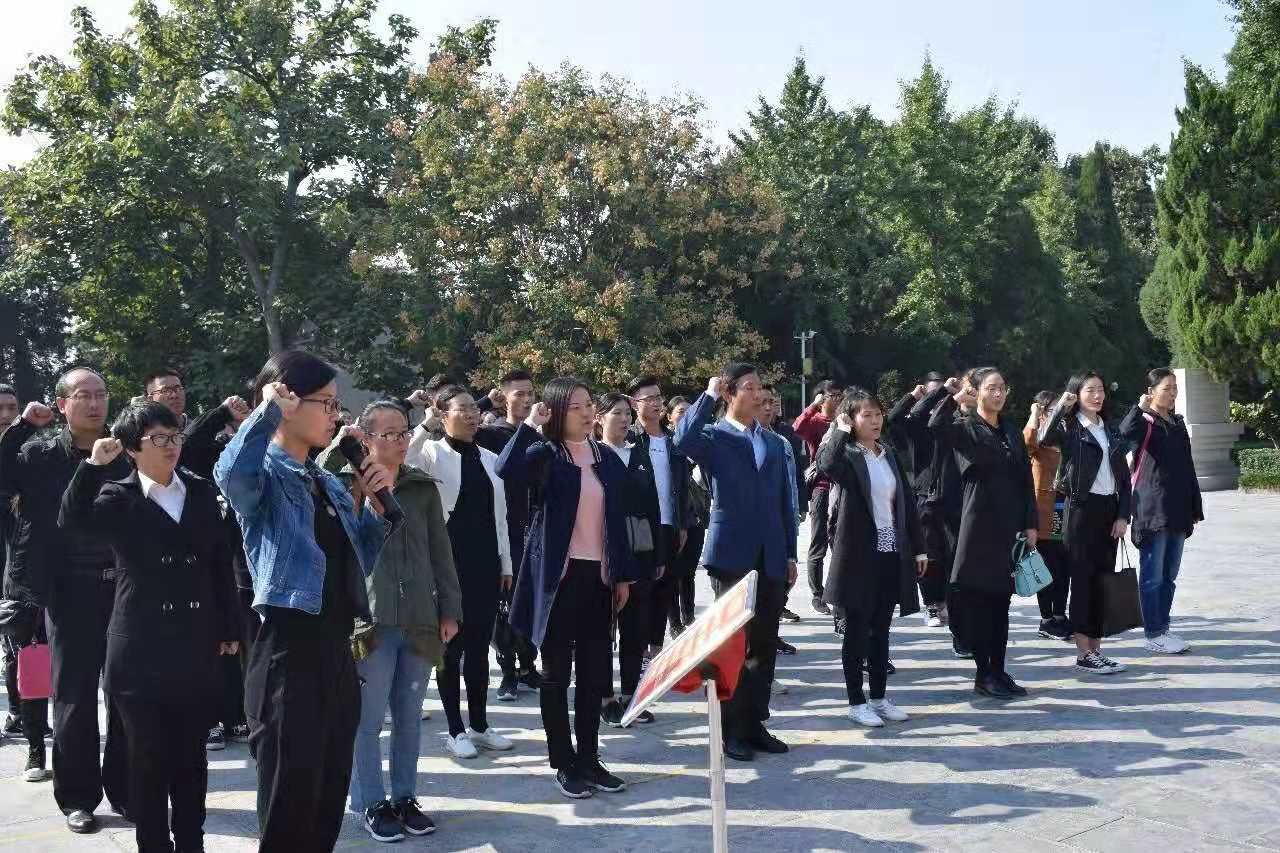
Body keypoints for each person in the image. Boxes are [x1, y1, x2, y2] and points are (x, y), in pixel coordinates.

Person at [213, 350, 394, 853]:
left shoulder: (326, 480)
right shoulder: (265, 476)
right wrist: (266, 410)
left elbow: (359, 557)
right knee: (290, 800)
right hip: (287, 654)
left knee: (328, 793)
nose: (336, 415)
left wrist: (376, 508)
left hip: (337, 650)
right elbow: (230, 474)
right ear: (288, 402)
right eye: (327, 403)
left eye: (337, 405)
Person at [59, 402, 240, 853]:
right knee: (146, 761)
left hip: (195, 641)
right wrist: (91, 467)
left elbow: (220, 562)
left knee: (191, 757)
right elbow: (72, 520)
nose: (171, 446)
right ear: (132, 449)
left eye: (174, 436)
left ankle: (192, 841)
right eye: (158, 439)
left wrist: (229, 626)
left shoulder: (200, 491)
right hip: (139, 648)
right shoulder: (117, 496)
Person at [319, 400, 462, 843]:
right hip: (371, 619)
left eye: (404, 432)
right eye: (389, 434)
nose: (401, 441)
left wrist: (450, 608)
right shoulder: (342, 486)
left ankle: (404, 797)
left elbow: (441, 550)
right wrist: (343, 454)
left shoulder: (421, 487)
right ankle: (370, 801)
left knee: (409, 715)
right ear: (366, 439)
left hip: (419, 616)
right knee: (367, 718)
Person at [497, 378, 641, 799]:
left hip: (600, 578)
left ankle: (590, 758)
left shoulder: (604, 457)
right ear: (558, 411)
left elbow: (619, 519)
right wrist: (530, 425)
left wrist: (623, 575)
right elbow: (507, 470)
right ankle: (564, 761)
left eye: (588, 404)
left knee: (595, 675)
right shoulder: (545, 454)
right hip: (558, 580)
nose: (586, 411)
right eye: (576, 406)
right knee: (556, 674)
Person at [0, 367, 130, 834]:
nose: (94, 403)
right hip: (67, 591)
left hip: (124, 587)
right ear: (61, 405)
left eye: (100, 394)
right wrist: (20, 427)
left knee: (125, 692)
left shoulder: (124, 453)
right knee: (74, 696)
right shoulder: (39, 454)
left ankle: (128, 790)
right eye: (82, 395)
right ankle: (77, 797)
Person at [674, 364, 798, 762]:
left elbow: (784, 501)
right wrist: (708, 395)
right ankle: (730, 730)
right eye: (749, 387)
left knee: (764, 645)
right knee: (733, 646)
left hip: (771, 554)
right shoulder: (714, 436)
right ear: (730, 393)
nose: (759, 394)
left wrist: (790, 552)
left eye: (761, 388)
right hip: (731, 553)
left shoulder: (774, 442)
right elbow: (682, 439)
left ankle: (755, 723)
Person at [405, 385, 515, 760]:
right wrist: (425, 426)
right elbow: (405, 458)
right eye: (462, 409)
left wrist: (505, 563)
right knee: (450, 650)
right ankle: (455, 730)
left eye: (474, 409)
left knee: (480, 649)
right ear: (443, 414)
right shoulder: (431, 453)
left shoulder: (489, 458)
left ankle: (480, 725)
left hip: (485, 563)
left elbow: (500, 517)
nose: (472, 415)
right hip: (447, 564)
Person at [817, 388, 927, 726]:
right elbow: (826, 464)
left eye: (878, 414)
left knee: (881, 629)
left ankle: (879, 697)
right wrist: (839, 430)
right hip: (858, 557)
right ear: (851, 420)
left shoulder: (887, 453)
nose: (875, 420)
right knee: (856, 631)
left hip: (890, 551)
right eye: (866, 415)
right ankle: (856, 702)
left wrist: (918, 547)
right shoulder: (849, 455)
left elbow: (906, 500)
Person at [928, 368, 1037, 700]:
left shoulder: (1010, 430)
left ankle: (999, 671)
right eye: (991, 388)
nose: (998, 394)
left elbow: (1025, 479)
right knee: (980, 604)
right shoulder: (965, 427)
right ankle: (983, 673)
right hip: (978, 527)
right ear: (976, 392)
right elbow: (935, 424)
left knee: (1001, 603)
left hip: (1009, 526)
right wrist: (954, 399)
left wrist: (1031, 523)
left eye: (1002, 387)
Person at [1038, 372, 1132, 674]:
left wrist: (1123, 515)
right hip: (1080, 510)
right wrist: (1061, 407)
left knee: (1102, 582)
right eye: (1090, 390)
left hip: (1109, 510)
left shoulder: (1110, 429)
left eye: (1100, 390)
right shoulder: (1070, 427)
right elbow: (1043, 437)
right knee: (1082, 582)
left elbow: (1124, 478)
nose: (1097, 395)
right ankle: (1083, 652)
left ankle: (1096, 649)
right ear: (1076, 394)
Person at [179, 392, 254, 749]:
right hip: (203, 563)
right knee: (209, 644)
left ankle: (237, 715)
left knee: (236, 643)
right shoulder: (204, 454)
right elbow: (189, 444)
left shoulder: (256, 453)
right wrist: (221, 412)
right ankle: (209, 719)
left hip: (244, 566)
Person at [1119, 368, 1203, 655]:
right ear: (1151, 391)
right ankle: (1153, 633)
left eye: (1174, 387)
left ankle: (1163, 627)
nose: (1172, 393)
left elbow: (1188, 468)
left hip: (1178, 510)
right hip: (1152, 509)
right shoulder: (1144, 422)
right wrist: (1139, 407)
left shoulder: (1177, 423)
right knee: (1152, 576)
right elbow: (1123, 434)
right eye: (1167, 388)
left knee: (1169, 575)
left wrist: (1195, 506)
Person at [597, 392, 665, 727]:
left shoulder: (639, 454)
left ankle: (630, 694)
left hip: (639, 551)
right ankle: (604, 697)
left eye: (627, 413)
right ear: (599, 418)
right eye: (617, 413)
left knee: (635, 629)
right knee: (601, 629)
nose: (624, 419)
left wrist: (658, 554)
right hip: (603, 551)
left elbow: (653, 506)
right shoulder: (592, 454)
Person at [475, 369, 543, 700]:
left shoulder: (542, 436)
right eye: (519, 394)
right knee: (504, 605)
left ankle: (529, 665)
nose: (527, 399)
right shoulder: (490, 434)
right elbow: (454, 427)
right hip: (504, 530)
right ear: (504, 398)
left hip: (536, 529)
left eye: (530, 393)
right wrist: (483, 402)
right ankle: (508, 669)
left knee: (531, 600)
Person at [0, 381, 54, 781]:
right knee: (28, 659)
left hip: (62, 576)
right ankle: (35, 745)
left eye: (11, 407)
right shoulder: (11, 457)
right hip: (20, 579)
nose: (6, 415)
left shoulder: (37, 454)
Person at [910, 374, 976, 657]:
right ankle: (940, 612)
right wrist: (945, 395)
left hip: (975, 508)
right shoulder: (937, 425)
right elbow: (915, 415)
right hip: (938, 504)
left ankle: (970, 628)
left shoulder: (983, 425)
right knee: (941, 565)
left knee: (967, 574)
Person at [625, 376, 689, 663]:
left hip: (669, 525)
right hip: (641, 526)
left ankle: (656, 650)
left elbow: (682, 485)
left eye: (658, 397)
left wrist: (682, 523)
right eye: (648, 398)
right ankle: (637, 652)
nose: (655, 403)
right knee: (641, 591)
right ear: (633, 403)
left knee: (665, 589)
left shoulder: (673, 440)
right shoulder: (630, 439)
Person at [886, 372, 949, 627]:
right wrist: (913, 396)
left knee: (952, 553)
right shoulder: (917, 426)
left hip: (954, 497)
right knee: (929, 554)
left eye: (943, 393)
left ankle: (947, 600)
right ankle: (932, 604)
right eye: (934, 394)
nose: (939, 399)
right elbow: (893, 419)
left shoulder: (955, 420)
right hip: (925, 497)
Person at [792, 380, 844, 614]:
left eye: (840, 394)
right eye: (833, 395)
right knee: (819, 541)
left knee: (842, 541)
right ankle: (817, 594)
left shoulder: (844, 421)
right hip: (822, 488)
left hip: (843, 487)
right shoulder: (815, 422)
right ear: (822, 398)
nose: (837, 398)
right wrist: (812, 406)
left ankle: (840, 591)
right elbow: (797, 428)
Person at [1023, 390, 1071, 642]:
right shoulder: (1038, 441)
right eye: (1052, 410)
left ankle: (1060, 615)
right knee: (1047, 567)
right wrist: (1034, 415)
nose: (1058, 415)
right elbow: (1027, 443)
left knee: (1064, 567)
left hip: (1065, 509)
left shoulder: (1063, 437)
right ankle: (1046, 619)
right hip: (1043, 512)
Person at [760, 385, 802, 653]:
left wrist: (796, 511)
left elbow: (791, 483)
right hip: (754, 531)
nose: (768, 407)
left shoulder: (781, 442)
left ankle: (771, 635)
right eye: (762, 401)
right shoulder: (736, 440)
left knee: (782, 581)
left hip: (782, 522)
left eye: (772, 402)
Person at [664, 396, 705, 637]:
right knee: (673, 572)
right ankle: (674, 622)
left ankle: (689, 617)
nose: (686, 416)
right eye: (680, 412)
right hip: (675, 515)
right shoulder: (667, 442)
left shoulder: (700, 441)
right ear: (669, 416)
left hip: (695, 514)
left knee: (689, 571)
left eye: (690, 412)